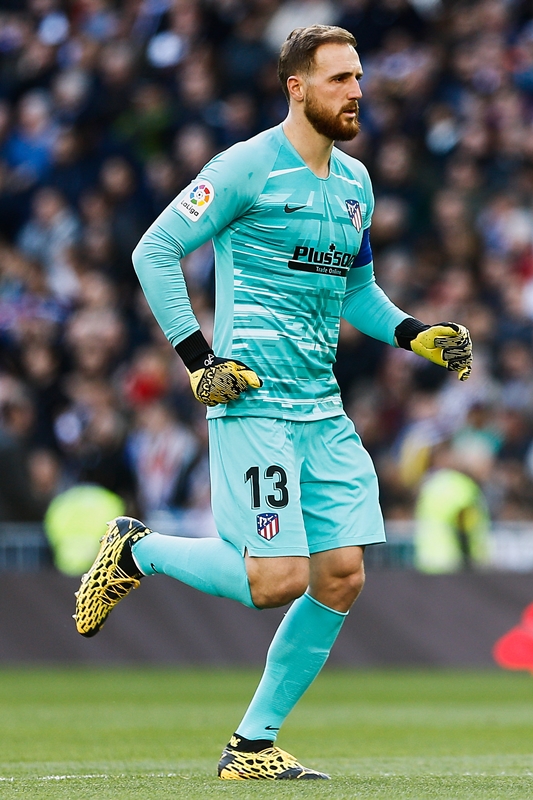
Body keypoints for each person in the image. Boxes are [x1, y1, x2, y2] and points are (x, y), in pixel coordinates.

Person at [74, 25, 472, 780]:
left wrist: (413, 333)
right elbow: (153, 250)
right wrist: (199, 361)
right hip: (253, 402)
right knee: (277, 580)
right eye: (338, 79)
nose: (356, 92)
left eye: (358, 77)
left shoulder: (355, 184)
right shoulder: (246, 167)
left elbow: (356, 291)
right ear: (297, 86)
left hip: (322, 409)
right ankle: (138, 549)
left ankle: (252, 745)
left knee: (342, 573)